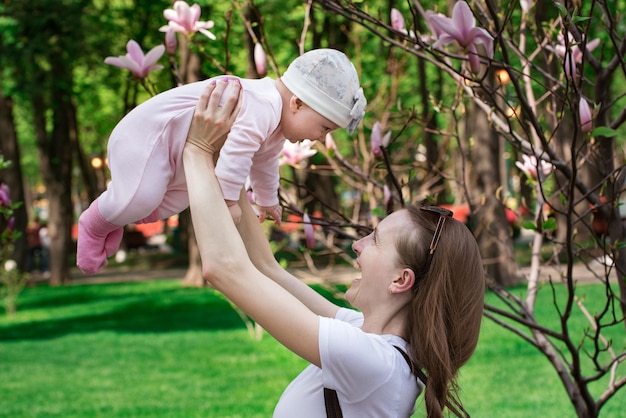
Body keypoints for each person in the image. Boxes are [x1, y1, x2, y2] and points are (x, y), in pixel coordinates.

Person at [183, 85, 486, 417]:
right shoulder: (370, 337)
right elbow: (266, 268)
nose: (357, 244)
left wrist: (196, 150)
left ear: (401, 280)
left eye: (375, 240)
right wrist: (227, 164)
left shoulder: (374, 363)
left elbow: (225, 270)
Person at [77, 48, 367, 275]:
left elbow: (264, 164)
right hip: (147, 136)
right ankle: (95, 222)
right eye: (324, 127)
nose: (319, 138)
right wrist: (228, 203)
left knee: (181, 198)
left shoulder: (276, 125)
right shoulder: (262, 105)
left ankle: (118, 213)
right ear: (297, 103)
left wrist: (267, 200)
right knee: (144, 196)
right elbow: (236, 156)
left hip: (172, 150)